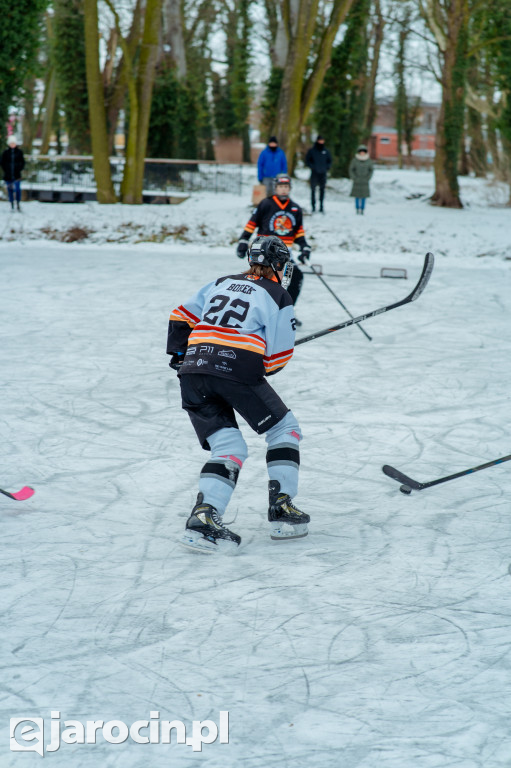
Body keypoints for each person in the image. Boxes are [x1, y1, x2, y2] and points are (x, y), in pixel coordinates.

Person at [167, 235, 310, 553]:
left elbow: (180, 315)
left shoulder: (220, 282)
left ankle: (204, 519)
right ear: (277, 264)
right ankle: (282, 508)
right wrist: (257, 356)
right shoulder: (278, 294)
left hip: (192, 371)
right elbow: (276, 360)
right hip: (236, 371)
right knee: (285, 430)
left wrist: (180, 355)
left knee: (228, 447)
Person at [236, 174, 311, 310]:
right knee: (263, 281)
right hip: (265, 254)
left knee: (295, 278)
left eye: (286, 187)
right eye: (281, 186)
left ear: (289, 188)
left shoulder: (295, 208)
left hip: (285, 254)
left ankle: (285, 310)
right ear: (276, 188)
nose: (283, 189)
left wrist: (305, 247)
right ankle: (253, 309)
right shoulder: (266, 203)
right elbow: (252, 224)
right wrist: (243, 240)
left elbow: (299, 232)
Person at [305, 135, 332, 213]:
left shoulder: (326, 151)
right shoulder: (312, 151)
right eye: (320, 140)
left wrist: (327, 167)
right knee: (313, 190)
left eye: (322, 140)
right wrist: (312, 167)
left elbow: (329, 161)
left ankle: (321, 206)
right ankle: (313, 206)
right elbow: (308, 160)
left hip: (323, 173)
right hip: (314, 173)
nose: (321, 142)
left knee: (322, 190)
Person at [1, 135, 25, 212]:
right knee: (10, 190)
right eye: (11, 143)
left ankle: (18, 203)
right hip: (8, 175)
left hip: (17, 175)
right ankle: (11, 204)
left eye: (13, 143)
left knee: (17, 189)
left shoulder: (19, 152)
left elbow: (22, 162)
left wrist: (19, 168)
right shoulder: (5, 153)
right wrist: (6, 169)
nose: (12, 145)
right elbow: (2, 163)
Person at [349, 144, 374, 215]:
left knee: (364, 196)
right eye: (361, 151)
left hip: (365, 181)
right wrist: (354, 177)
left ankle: (362, 209)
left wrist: (368, 178)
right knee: (357, 196)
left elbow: (371, 170)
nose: (362, 153)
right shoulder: (355, 160)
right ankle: (357, 208)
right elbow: (351, 169)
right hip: (357, 181)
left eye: (363, 151)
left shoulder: (368, 161)